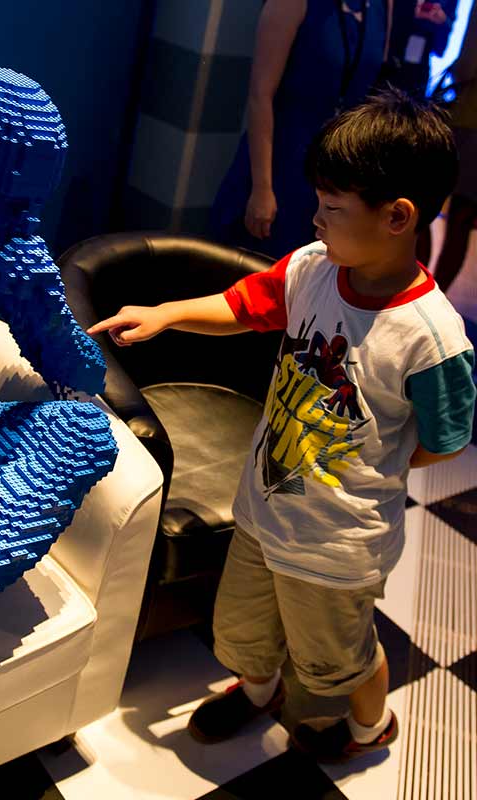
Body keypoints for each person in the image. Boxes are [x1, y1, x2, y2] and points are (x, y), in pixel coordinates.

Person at [88, 88, 476, 762]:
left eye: (331, 207)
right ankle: (258, 687)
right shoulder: (312, 270)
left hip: (338, 548)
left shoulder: (431, 337)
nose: (314, 218)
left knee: (337, 660)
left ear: (398, 217)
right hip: (264, 512)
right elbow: (243, 305)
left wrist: (374, 464)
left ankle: (369, 725)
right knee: (241, 630)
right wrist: (167, 313)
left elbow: (444, 441)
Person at [208, 0, 391, 259]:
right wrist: (262, 188)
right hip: (282, 161)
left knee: (310, 278)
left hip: (336, 172)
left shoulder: (382, 7)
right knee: (254, 269)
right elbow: (260, 96)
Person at [418, 0, 477, 294]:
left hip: (467, 119)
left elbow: (465, 64)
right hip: (467, 122)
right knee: (461, 221)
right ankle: (433, 293)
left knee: (421, 199)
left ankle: (422, 293)